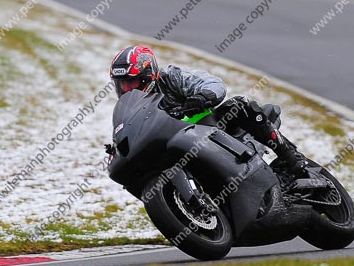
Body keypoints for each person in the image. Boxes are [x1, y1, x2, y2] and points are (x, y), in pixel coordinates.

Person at [109, 45, 307, 177]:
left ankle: (290, 155)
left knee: (240, 105)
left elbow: (213, 83)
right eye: (122, 84)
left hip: (208, 126)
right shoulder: (132, 107)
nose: (127, 89)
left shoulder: (171, 76)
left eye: (131, 82)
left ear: (148, 75)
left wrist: (202, 97)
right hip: (175, 145)